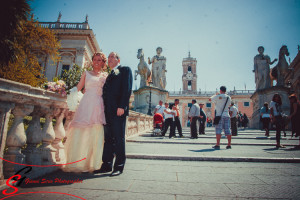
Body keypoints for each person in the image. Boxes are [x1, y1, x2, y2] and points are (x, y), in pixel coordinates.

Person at [63, 52, 108, 173]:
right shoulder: (86, 73)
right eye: (95, 59)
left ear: (103, 63)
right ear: (92, 61)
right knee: (81, 132)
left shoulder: (105, 76)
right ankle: (77, 163)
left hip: (98, 106)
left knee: (95, 133)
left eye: (99, 60)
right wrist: (62, 89)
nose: (97, 62)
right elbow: (77, 88)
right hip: (86, 104)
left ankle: (93, 163)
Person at [96, 52, 133, 176]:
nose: (110, 58)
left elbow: (127, 88)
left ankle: (119, 166)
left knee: (118, 138)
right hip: (107, 111)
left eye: (113, 56)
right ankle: (106, 165)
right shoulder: (109, 75)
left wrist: (122, 106)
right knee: (108, 139)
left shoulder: (125, 70)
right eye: (109, 57)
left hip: (118, 110)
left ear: (118, 59)